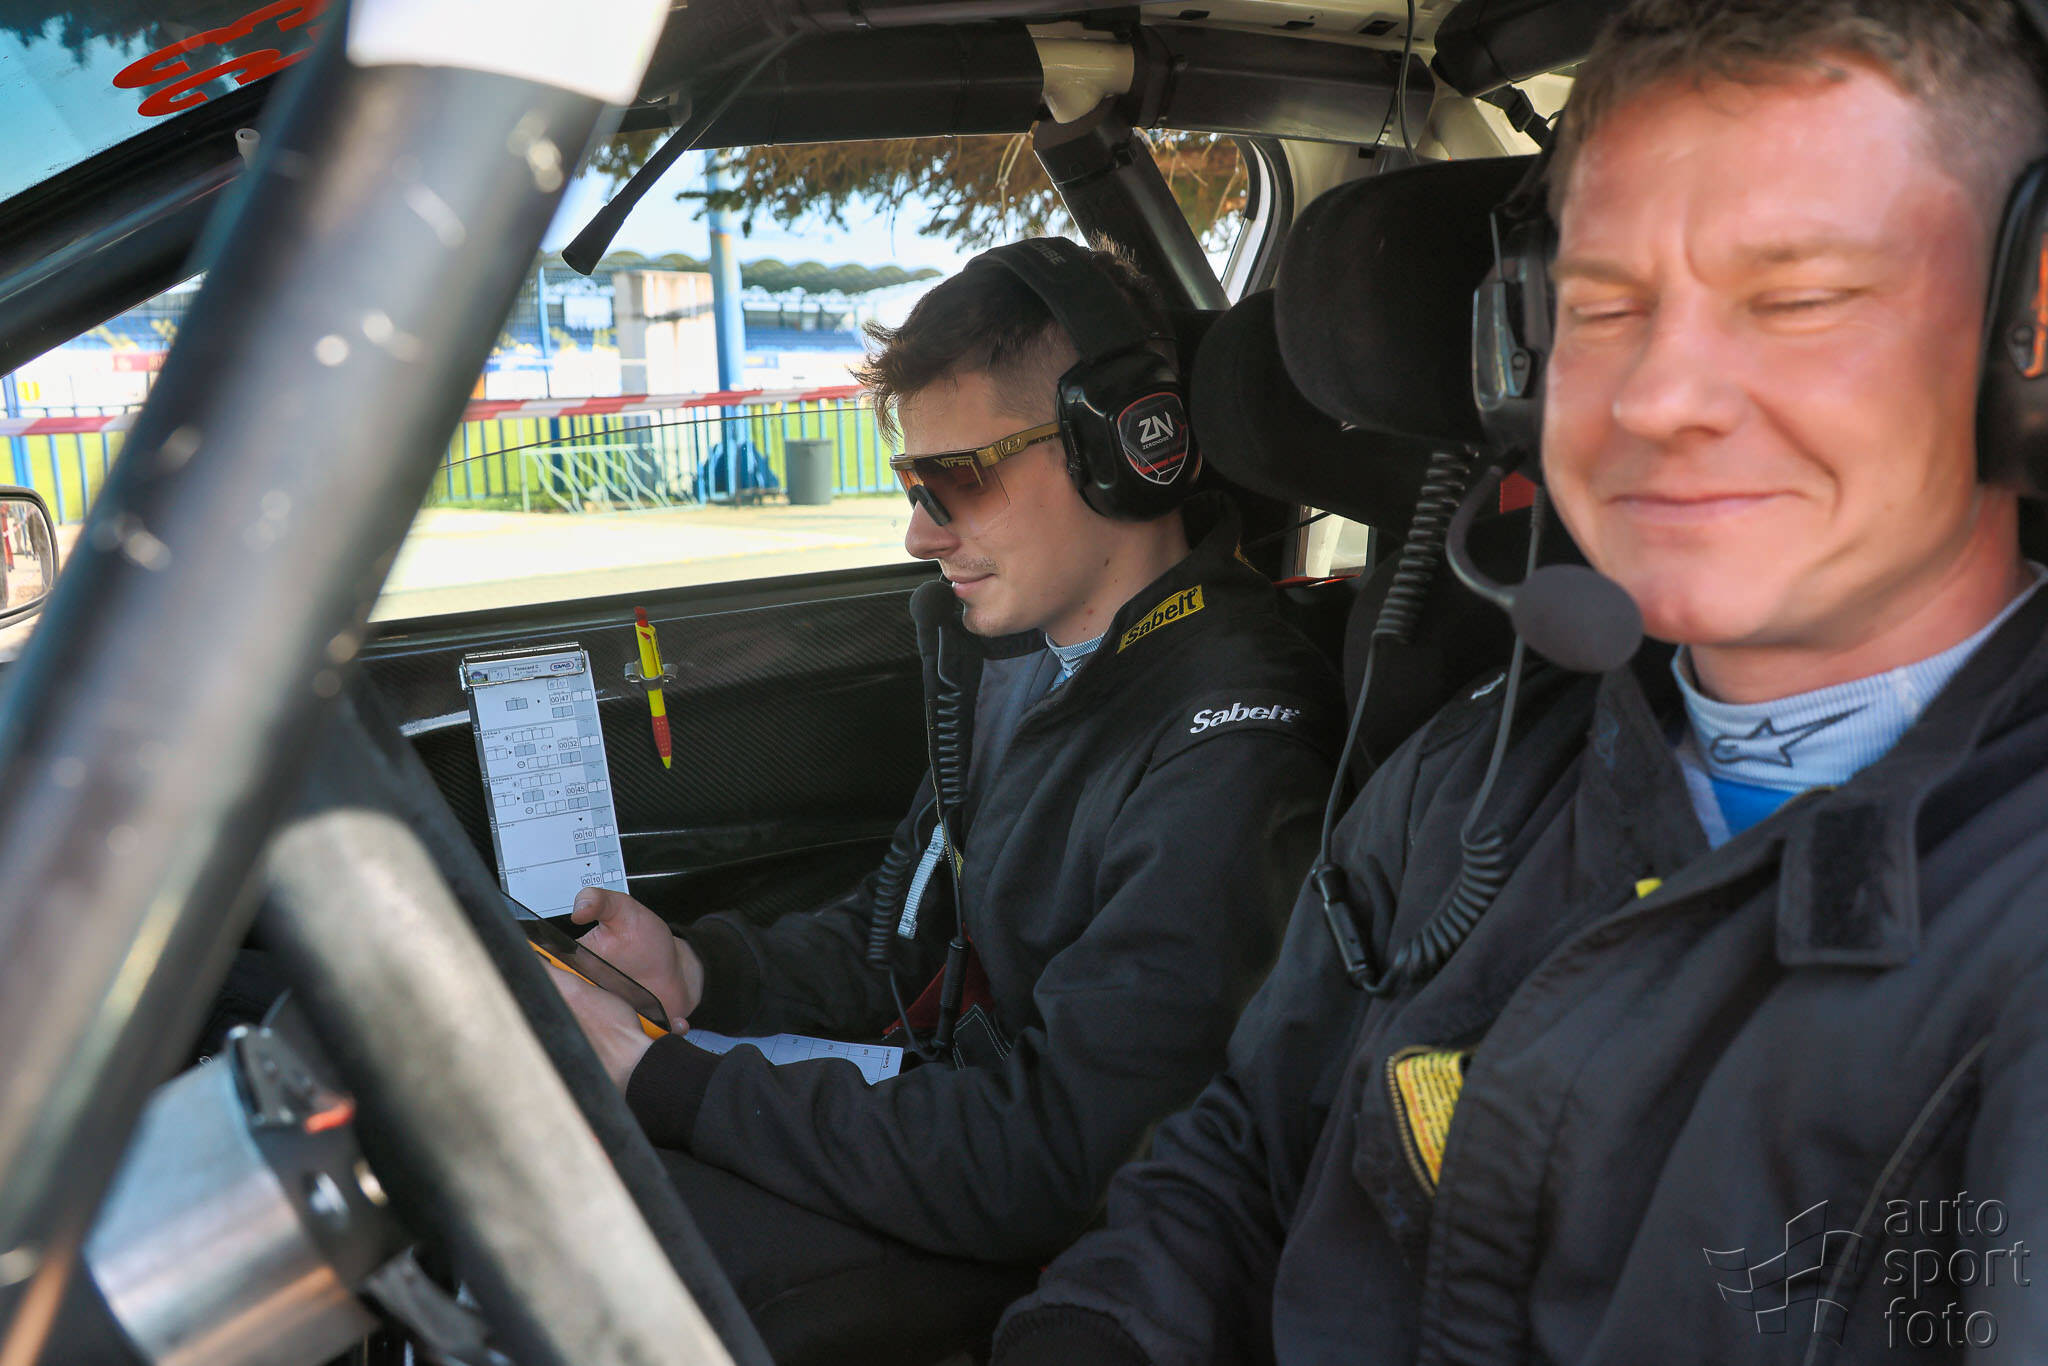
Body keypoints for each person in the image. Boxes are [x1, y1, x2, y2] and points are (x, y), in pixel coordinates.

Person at [992, 4, 2048, 1363]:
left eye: (1795, 299)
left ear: (2023, 325)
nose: (1657, 396)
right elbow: (1245, 1151)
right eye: (1600, 308)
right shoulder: (1476, 772)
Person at [544, 238, 1343, 1361]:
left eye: (957, 480)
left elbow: (1066, 1155)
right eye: (911, 484)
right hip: (964, 1125)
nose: (919, 532)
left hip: (1071, 1238)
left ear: (1128, 448)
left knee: (604, 1245)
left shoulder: (1234, 744)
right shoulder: (1020, 665)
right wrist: (699, 970)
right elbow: (902, 933)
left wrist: (671, 1082)